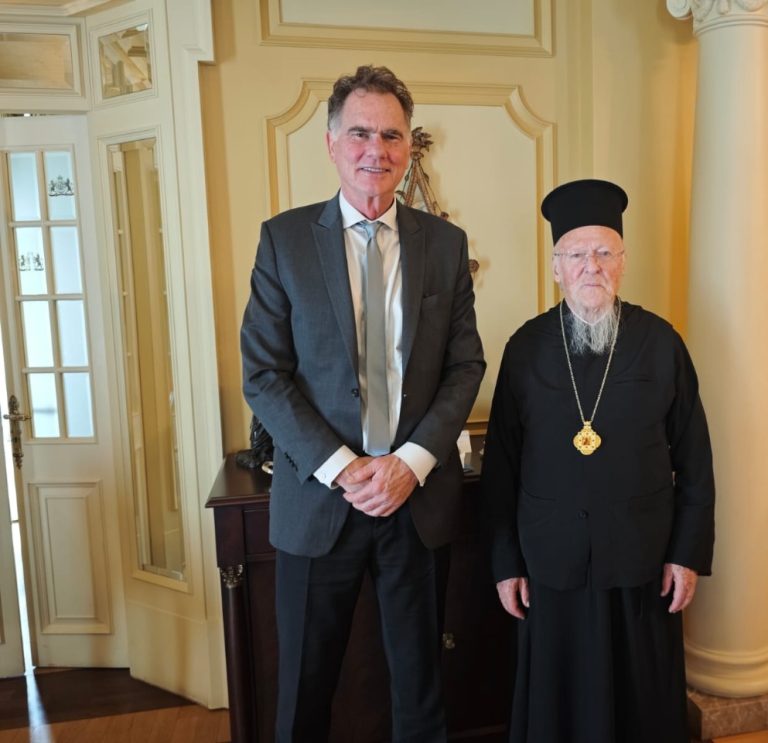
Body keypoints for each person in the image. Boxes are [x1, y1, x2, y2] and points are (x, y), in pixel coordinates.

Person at [241, 65, 485, 742]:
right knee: (304, 693)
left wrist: (411, 462)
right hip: (320, 503)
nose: (375, 149)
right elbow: (263, 373)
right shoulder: (285, 242)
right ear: (331, 143)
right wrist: (345, 468)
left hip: (416, 504)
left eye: (391, 135)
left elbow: (465, 365)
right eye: (360, 133)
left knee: (421, 693)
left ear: (407, 146)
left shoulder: (445, 244)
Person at [481, 179, 715, 742]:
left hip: (641, 564)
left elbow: (696, 459)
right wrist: (506, 563)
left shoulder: (661, 343)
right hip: (551, 566)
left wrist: (686, 555)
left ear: (623, 263)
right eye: (577, 254)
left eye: (605, 253)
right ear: (556, 268)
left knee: (642, 706)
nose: (592, 267)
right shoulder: (525, 347)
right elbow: (501, 468)